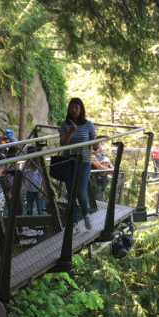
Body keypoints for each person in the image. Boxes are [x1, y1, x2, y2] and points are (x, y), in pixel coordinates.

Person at [59, 98, 100, 229]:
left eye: (76, 107)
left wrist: (99, 139)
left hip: (84, 162)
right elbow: (63, 144)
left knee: (81, 192)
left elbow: (93, 145)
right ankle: (75, 222)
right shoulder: (64, 125)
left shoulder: (89, 124)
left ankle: (86, 214)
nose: (74, 110)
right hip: (68, 161)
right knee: (70, 193)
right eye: (71, 107)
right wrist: (71, 131)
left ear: (81, 109)